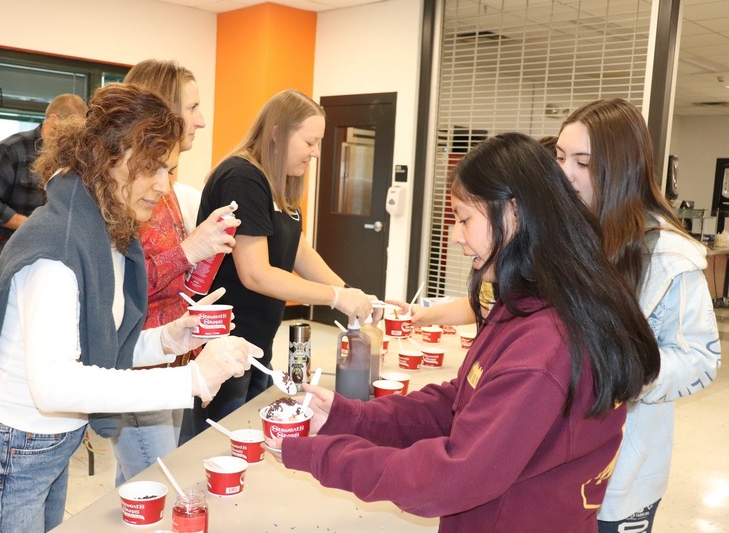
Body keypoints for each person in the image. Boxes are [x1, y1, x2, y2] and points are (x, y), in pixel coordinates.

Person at [264, 132, 661, 531]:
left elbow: (451, 476)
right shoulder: (524, 304)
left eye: (465, 219)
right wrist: (350, 418)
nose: (455, 235)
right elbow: (459, 404)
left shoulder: (545, 345)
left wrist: (324, 455)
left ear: (515, 213)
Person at [0, 83, 260, 533]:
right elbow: (55, 384)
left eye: (168, 170)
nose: (163, 186)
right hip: (7, 456)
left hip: (39, 447)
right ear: (106, 157)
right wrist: (190, 379)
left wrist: (167, 340)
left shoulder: (100, 229)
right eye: (151, 168)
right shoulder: (59, 250)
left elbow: (97, 347)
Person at [556, 98, 721, 532]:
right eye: (560, 156)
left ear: (620, 169)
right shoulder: (566, 235)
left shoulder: (667, 255)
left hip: (621, 474)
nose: (565, 172)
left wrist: (626, 372)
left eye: (582, 162)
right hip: (554, 465)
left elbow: (700, 359)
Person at [183, 89, 374, 443]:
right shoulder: (242, 177)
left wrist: (349, 292)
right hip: (226, 346)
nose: (316, 152)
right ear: (277, 133)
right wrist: (334, 297)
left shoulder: (278, 183)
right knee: (214, 447)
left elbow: (298, 249)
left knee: (251, 440)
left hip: (256, 344)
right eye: (309, 142)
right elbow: (256, 274)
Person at [109, 59, 240, 486]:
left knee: (135, 484)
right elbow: (120, 288)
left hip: (167, 358)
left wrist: (202, 253)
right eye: (193, 107)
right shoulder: (127, 194)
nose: (201, 121)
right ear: (163, 110)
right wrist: (188, 250)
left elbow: (167, 279)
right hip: (136, 367)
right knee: (161, 485)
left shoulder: (162, 189)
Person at [0, 93, 88, 295]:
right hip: (2, 252)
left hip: (49, 256)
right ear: (53, 120)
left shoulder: (71, 157)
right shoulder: (10, 150)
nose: (73, 140)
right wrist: (30, 224)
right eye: (69, 131)